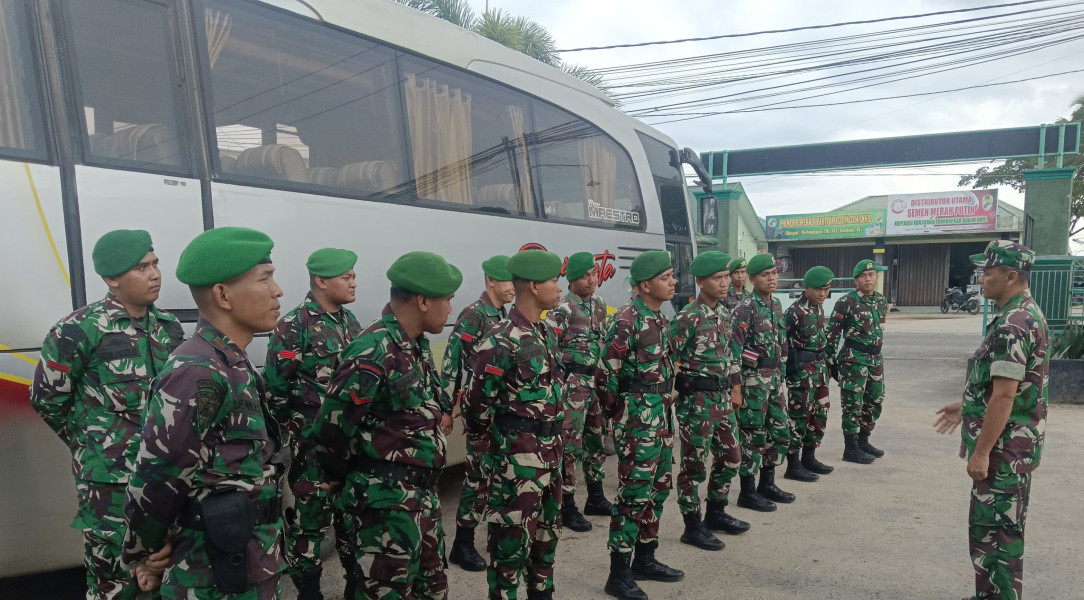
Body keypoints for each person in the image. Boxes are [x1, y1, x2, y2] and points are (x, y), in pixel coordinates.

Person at [121, 227, 287, 599]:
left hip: (246, 556)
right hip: (211, 572)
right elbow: (157, 477)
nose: (278, 291)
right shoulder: (197, 371)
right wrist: (146, 554)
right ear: (223, 295)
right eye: (266, 279)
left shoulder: (232, 362)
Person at [31, 229, 184, 600]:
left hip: (164, 480)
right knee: (115, 585)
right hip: (109, 487)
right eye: (141, 267)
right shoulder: (78, 330)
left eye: (155, 263)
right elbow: (47, 398)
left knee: (168, 576)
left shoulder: (169, 328)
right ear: (112, 279)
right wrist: (92, 444)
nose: (155, 274)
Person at [313, 251, 461, 599]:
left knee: (432, 590)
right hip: (384, 507)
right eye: (448, 300)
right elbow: (331, 428)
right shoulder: (372, 350)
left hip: (420, 500)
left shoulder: (415, 345)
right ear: (423, 301)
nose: (451, 309)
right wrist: (338, 477)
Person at [934, 241, 1047, 600]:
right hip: (1015, 447)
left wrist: (982, 453)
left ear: (1011, 276)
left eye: (988, 272)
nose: (981, 279)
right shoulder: (1023, 313)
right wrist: (966, 406)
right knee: (998, 535)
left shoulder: (1013, 323)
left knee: (996, 537)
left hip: (1002, 453)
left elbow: (1005, 396)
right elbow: (1004, 388)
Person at [465, 249, 565, 600]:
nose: (559, 287)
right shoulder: (500, 339)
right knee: (509, 551)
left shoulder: (546, 333)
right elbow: (476, 404)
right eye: (554, 280)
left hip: (551, 458)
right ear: (535, 286)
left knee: (546, 542)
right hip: (516, 463)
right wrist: (495, 451)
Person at [263, 248, 363, 599]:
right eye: (346, 277)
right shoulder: (294, 325)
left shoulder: (351, 322)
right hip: (311, 445)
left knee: (351, 515)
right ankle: (309, 589)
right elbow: (276, 387)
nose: (354, 282)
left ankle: (355, 581)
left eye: (353, 275)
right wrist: (293, 433)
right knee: (310, 521)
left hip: (350, 442)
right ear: (321, 281)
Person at [597, 250, 682, 600]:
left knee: (658, 489)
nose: (673, 282)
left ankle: (645, 558)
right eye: (666, 277)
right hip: (638, 423)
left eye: (672, 275)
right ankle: (618, 574)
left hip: (661, 418)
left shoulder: (660, 318)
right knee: (632, 496)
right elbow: (605, 378)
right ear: (645, 285)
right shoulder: (627, 320)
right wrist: (622, 416)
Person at [670, 251, 749, 553]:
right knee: (693, 465)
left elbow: (730, 356)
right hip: (696, 401)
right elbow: (669, 358)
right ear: (700, 281)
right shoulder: (687, 317)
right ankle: (692, 526)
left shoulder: (725, 314)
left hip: (722, 398)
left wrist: (736, 388)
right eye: (717, 278)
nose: (725, 283)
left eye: (727, 277)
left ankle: (716, 513)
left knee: (731, 457)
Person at [444, 255, 515, 572]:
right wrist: (447, 407)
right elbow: (452, 361)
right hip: (480, 411)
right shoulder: (473, 314)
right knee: (478, 479)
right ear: (491, 281)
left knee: (499, 478)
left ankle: (494, 537)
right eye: (508, 281)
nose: (514, 287)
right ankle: (463, 544)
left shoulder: (503, 314)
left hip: (504, 411)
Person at [545, 251, 613, 532]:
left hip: (594, 386)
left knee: (596, 441)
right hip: (572, 388)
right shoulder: (561, 310)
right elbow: (550, 351)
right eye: (585, 275)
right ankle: (567, 506)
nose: (591, 279)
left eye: (594, 274)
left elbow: (604, 341)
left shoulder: (598, 304)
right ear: (571, 280)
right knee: (569, 447)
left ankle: (595, 497)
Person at [731, 253, 793, 512]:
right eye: (765, 275)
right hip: (752, 383)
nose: (771, 278)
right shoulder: (745, 308)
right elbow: (733, 350)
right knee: (753, 436)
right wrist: (736, 388)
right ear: (753, 279)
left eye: (774, 273)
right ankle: (747, 491)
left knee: (779, 432)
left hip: (774, 381)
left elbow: (781, 342)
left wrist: (782, 370)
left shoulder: (776, 305)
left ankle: (767, 483)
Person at [827, 259, 889, 464]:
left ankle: (863, 440)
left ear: (877, 277)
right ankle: (851, 447)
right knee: (853, 404)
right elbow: (832, 334)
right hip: (854, 360)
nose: (868, 279)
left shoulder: (880, 301)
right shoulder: (847, 302)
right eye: (863, 276)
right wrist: (831, 363)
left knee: (874, 400)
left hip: (875, 359)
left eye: (871, 275)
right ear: (856, 281)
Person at [782, 266, 836, 481]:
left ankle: (809, 458)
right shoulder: (794, 312)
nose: (823, 294)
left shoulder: (818, 309)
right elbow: (780, 341)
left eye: (827, 289)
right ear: (806, 288)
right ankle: (793, 465)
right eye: (818, 289)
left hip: (819, 372)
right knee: (798, 418)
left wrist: (830, 365)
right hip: (802, 375)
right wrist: (787, 368)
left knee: (819, 415)